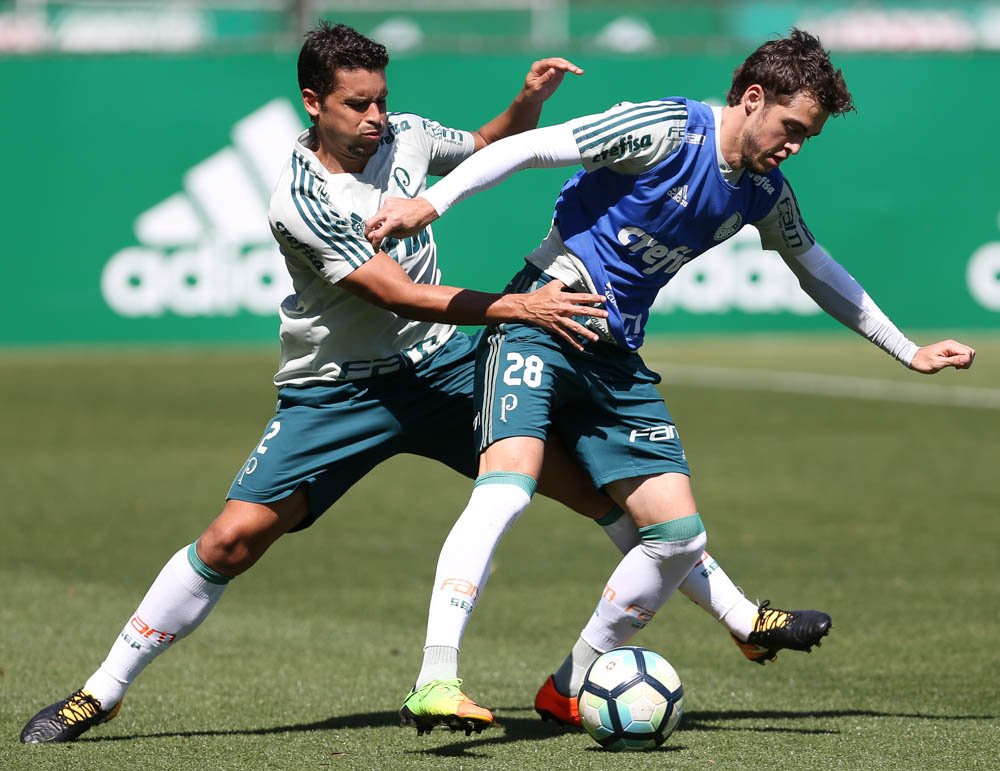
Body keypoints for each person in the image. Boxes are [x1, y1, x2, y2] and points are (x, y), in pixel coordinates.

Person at [18, 21, 610, 745]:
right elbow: (395, 293)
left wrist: (526, 102)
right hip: (336, 391)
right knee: (231, 539)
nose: (375, 119)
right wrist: (519, 305)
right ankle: (100, 691)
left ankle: (646, 650)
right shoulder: (298, 200)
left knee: (587, 488)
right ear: (312, 102)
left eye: (381, 101)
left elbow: (485, 147)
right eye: (357, 104)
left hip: (441, 370)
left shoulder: (408, 136)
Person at [367, 28, 976, 731]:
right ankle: (435, 677)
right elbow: (532, 146)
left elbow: (816, 268)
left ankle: (570, 684)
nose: (794, 146)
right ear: (753, 98)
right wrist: (430, 203)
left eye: (807, 137)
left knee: (678, 535)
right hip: (542, 314)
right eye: (791, 128)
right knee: (507, 490)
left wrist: (907, 350)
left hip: (616, 357)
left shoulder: (763, 192)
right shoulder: (663, 128)